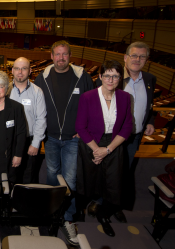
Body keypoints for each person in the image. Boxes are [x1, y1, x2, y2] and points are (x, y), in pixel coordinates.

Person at [34, 40, 94, 246]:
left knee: (69, 180)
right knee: (52, 175)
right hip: (50, 138)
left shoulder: (83, 77)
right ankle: (53, 212)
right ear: (51, 56)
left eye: (65, 54)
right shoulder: (41, 78)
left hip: (72, 139)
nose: (61, 58)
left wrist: (84, 130)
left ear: (70, 56)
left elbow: (93, 106)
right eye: (57, 54)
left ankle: (67, 218)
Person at [92, 42, 157, 222]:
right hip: (112, 136)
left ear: (147, 60)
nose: (137, 60)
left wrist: (149, 121)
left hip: (134, 136)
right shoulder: (112, 78)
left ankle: (113, 204)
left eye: (142, 57)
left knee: (123, 174)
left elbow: (149, 106)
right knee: (106, 171)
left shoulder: (150, 79)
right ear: (125, 58)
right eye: (134, 56)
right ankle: (99, 202)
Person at [75, 59, 133, 237]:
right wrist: (96, 149)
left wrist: (107, 150)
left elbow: (127, 127)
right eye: (107, 75)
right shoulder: (88, 96)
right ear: (100, 76)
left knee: (113, 183)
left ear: (120, 78)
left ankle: (103, 214)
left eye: (115, 76)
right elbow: (80, 127)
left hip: (114, 144)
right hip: (90, 143)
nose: (111, 79)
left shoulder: (125, 97)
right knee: (88, 180)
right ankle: (80, 211)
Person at [7, 57, 46, 183]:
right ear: (12, 70)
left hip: (30, 141)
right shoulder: (5, 91)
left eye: (24, 68)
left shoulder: (37, 92)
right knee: (10, 177)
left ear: (30, 71)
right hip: (9, 140)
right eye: (17, 68)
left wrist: (35, 144)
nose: (20, 72)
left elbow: (41, 119)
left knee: (28, 177)